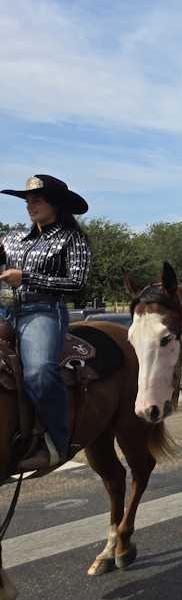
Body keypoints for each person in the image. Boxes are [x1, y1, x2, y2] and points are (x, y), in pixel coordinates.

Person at [0, 175, 92, 470]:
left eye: (37, 200)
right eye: (27, 201)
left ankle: (55, 442)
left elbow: (78, 283)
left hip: (43, 311)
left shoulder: (72, 238)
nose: (30, 206)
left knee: (39, 371)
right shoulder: (12, 237)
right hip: (6, 310)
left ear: (56, 204)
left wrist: (26, 278)